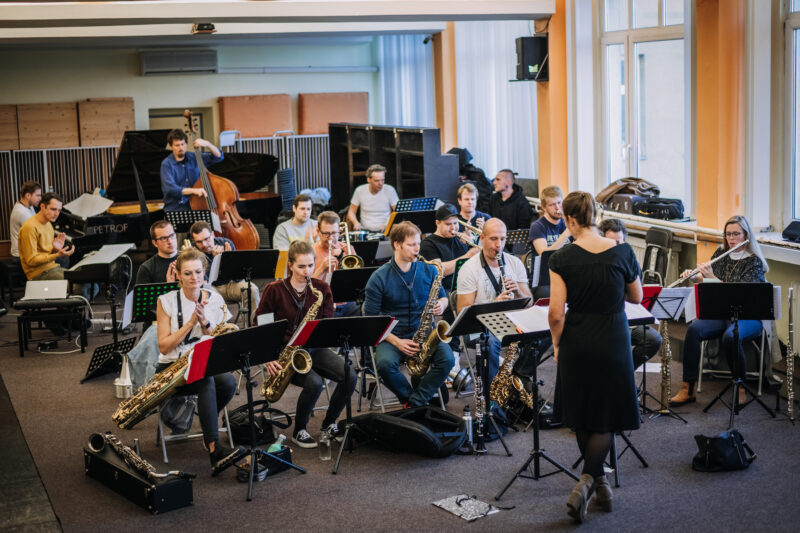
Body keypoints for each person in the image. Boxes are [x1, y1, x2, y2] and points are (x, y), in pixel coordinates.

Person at [548, 191, 643, 522]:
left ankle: (587, 481)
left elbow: (556, 314)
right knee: (608, 413)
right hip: (613, 339)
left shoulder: (560, 258)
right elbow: (637, 295)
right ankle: (596, 480)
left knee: (583, 410)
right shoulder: (622, 251)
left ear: (571, 220)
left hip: (577, 338)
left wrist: (558, 345)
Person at [254, 241, 357, 448]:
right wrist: (267, 356)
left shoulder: (322, 289)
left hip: (313, 348)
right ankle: (299, 429)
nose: (307, 271)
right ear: (290, 265)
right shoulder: (275, 289)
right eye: (301, 266)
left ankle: (329, 423)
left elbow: (327, 325)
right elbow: (261, 324)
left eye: (311, 265)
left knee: (350, 375)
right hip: (285, 351)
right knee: (314, 383)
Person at [155, 248, 246, 475]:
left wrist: (206, 323)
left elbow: (220, 337)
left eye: (198, 272)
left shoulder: (214, 298)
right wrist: (190, 323)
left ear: (204, 273)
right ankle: (214, 450)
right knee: (206, 382)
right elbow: (164, 346)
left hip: (202, 360)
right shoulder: (166, 301)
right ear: (177, 275)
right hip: (172, 366)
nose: (194, 278)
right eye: (187, 273)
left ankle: (209, 425)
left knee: (228, 383)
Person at [669, 215, 769, 407]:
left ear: (745, 235)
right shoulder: (720, 253)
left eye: (736, 234)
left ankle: (739, 387)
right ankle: (687, 388)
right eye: (728, 234)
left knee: (730, 337)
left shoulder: (754, 262)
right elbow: (710, 284)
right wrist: (695, 278)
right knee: (694, 330)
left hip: (748, 317)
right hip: (722, 313)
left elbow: (740, 295)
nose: (731, 238)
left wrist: (711, 277)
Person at [364, 221, 454, 406]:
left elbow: (444, 297)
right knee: (384, 365)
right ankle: (409, 399)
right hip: (392, 335)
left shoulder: (429, 269)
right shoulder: (379, 277)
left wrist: (442, 305)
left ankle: (415, 403)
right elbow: (371, 321)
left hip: (425, 331)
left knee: (448, 360)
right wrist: (396, 341)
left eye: (418, 244)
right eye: (411, 244)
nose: (417, 249)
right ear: (397, 244)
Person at [456, 218, 532, 384]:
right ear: (482, 238)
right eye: (493, 239)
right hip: (479, 326)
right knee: (491, 341)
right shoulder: (469, 269)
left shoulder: (515, 263)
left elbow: (529, 302)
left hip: (510, 321)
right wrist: (494, 304)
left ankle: (519, 376)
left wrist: (518, 291)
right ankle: (494, 398)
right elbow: (463, 311)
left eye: (502, 239)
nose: (499, 245)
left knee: (543, 335)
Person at [598, 218, 663, 369]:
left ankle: (624, 372)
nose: (616, 247)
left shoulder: (629, 262)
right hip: (603, 322)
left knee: (654, 340)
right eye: (611, 242)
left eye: (619, 243)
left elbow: (637, 296)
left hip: (628, 318)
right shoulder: (596, 265)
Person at [189, 220, 259, 321]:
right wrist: (216, 260)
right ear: (194, 242)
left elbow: (237, 275)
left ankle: (254, 324)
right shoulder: (194, 253)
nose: (204, 244)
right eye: (199, 242)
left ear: (212, 234)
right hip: (212, 288)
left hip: (231, 284)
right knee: (210, 296)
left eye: (207, 239)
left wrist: (229, 260)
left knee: (252, 290)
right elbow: (206, 282)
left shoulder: (225, 242)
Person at [419, 204, 480, 293]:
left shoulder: (461, 238)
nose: (453, 228)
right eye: (448, 224)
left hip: (467, 286)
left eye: (455, 223)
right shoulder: (428, 244)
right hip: (445, 291)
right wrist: (468, 255)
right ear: (437, 223)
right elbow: (439, 271)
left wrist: (473, 245)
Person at [160, 128, 223, 212]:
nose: (181, 148)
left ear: (186, 144)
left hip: (197, 205)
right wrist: (194, 191)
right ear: (171, 147)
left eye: (182, 144)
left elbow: (218, 157)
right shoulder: (166, 164)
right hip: (175, 208)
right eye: (177, 145)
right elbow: (170, 189)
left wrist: (208, 144)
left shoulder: (194, 157)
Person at [311, 211, 360, 317]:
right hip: (322, 304)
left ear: (340, 231)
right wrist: (321, 268)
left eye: (334, 233)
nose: (330, 238)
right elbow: (306, 287)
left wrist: (342, 255)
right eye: (326, 233)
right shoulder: (310, 252)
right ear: (318, 231)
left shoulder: (348, 249)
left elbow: (356, 281)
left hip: (348, 304)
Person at [18, 192, 75, 282]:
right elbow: (31, 260)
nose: (56, 213)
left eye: (59, 210)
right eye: (53, 209)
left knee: (89, 282)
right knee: (80, 286)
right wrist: (56, 255)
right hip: (38, 274)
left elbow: (46, 253)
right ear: (42, 207)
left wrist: (55, 249)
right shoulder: (30, 227)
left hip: (52, 268)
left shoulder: (48, 224)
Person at [347, 164, 398, 232]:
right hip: (365, 230)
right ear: (368, 179)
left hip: (386, 230)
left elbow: (397, 211)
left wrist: (387, 224)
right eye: (377, 181)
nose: (380, 183)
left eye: (382, 180)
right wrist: (355, 222)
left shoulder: (390, 190)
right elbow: (351, 212)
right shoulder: (360, 190)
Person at [529, 185, 570, 256]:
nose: (557, 208)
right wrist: (566, 233)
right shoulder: (537, 226)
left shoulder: (568, 221)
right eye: (552, 205)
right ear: (543, 207)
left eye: (559, 202)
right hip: (547, 266)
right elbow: (544, 254)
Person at [136, 220, 178, 285]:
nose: (170, 241)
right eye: (164, 238)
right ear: (155, 243)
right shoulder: (146, 268)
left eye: (172, 235)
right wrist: (169, 286)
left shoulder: (190, 260)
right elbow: (143, 295)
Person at [9, 181, 41, 262]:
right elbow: (37, 235)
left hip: (27, 252)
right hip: (21, 256)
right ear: (28, 195)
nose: (40, 198)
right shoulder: (22, 213)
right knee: (62, 259)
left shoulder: (28, 206)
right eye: (37, 195)